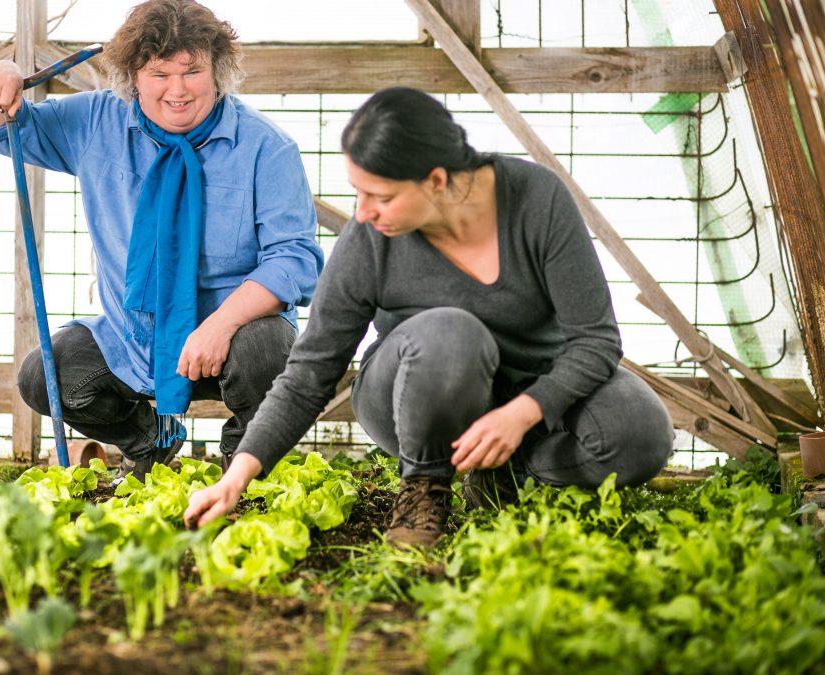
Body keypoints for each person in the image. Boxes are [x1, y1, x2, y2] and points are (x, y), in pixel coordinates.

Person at [184, 87, 673, 547]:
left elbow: (596, 342)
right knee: (451, 330)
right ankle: (424, 486)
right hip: (414, 391)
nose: (364, 212)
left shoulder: (536, 200)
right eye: (358, 192)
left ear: (437, 180)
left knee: (638, 433)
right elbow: (309, 372)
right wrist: (237, 477)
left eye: (382, 196)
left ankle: (505, 473)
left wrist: (522, 414)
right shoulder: (369, 239)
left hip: (529, 385)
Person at [0, 0, 323, 482]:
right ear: (133, 77)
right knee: (44, 376)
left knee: (270, 351)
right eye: (159, 74)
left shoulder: (268, 148)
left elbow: (295, 260)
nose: (177, 90)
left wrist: (219, 327)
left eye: (192, 71)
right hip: (133, 340)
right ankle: (151, 441)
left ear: (217, 72)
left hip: (234, 340)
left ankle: (244, 469)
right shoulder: (98, 121)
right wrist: (0, 79)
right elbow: (4, 132)